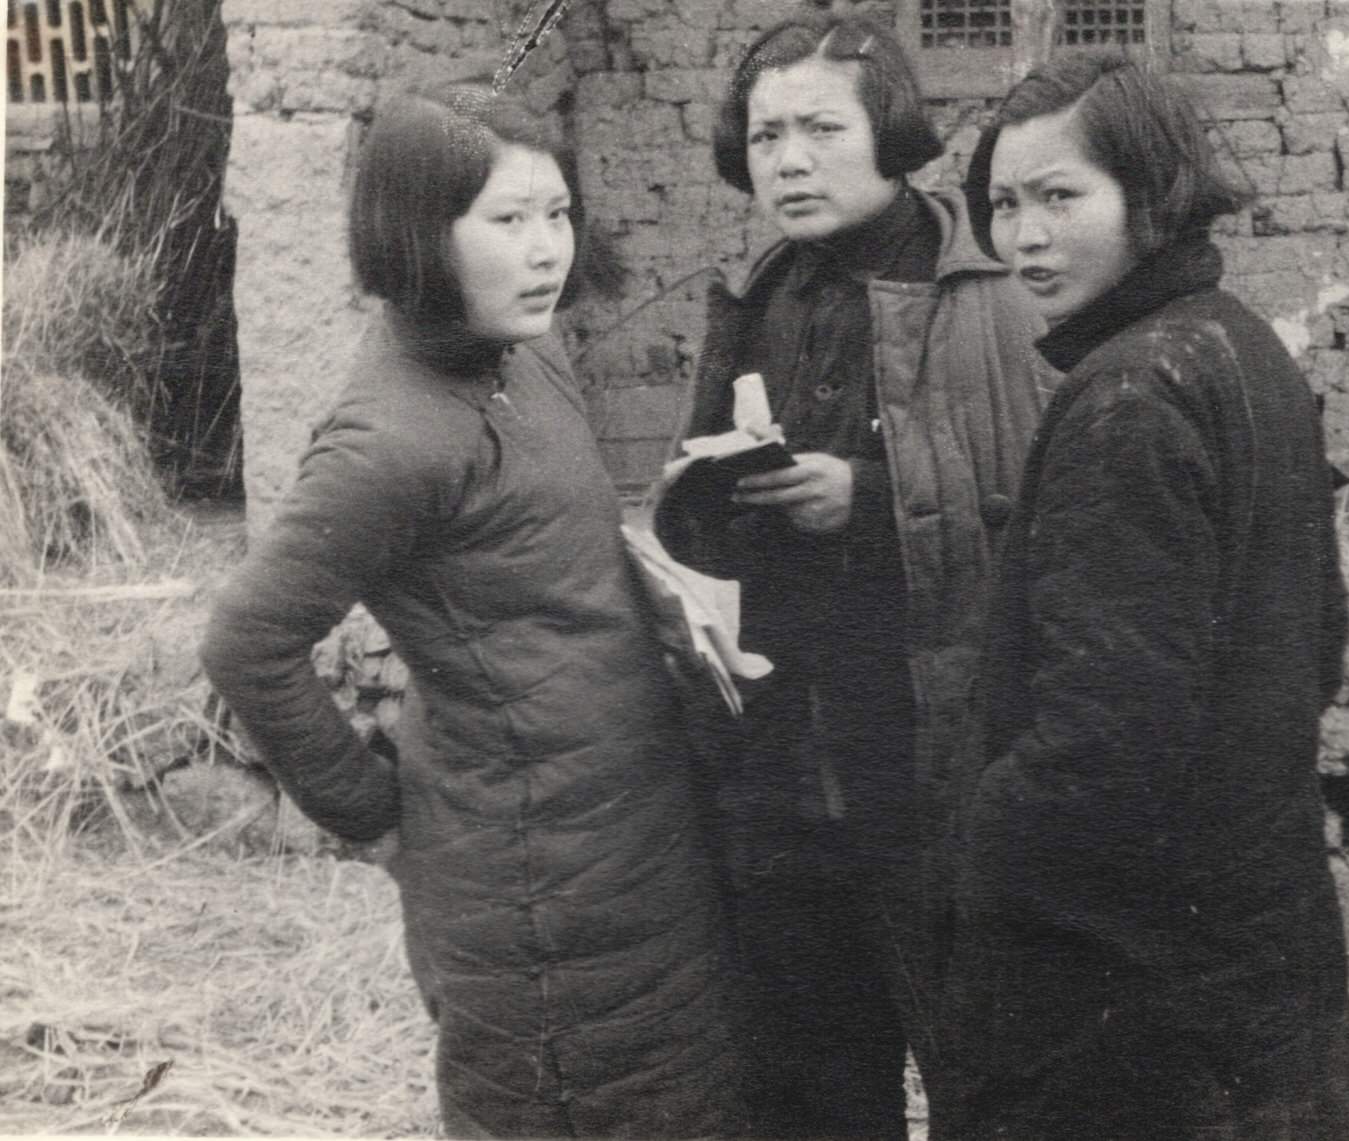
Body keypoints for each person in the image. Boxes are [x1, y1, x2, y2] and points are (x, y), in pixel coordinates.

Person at [200, 82, 748, 1140]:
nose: (547, 249)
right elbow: (247, 639)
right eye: (507, 221)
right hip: (530, 882)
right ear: (417, 234)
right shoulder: (389, 439)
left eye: (557, 214)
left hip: (633, 836)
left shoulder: (524, 352)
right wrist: (374, 816)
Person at [946, 53, 1349, 1140]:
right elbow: (1318, 645)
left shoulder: (1129, 395)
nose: (1025, 236)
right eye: (1003, 203)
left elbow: (1107, 742)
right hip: (1257, 946)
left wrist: (981, 850)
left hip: (1138, 1003)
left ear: (1151, 194)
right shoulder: (1235, 346)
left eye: (1059, 197)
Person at [652, 14, 1053, 1139]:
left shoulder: (984, 289)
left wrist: (864, 501)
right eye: (767, 132)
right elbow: (698, 514)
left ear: (891, 134)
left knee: (984, 1072)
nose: (787, 157)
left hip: (928, 763)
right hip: (782, 757)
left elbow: (1042, 520)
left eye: (820, 127)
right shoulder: (766, 285)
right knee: (810, 1084)